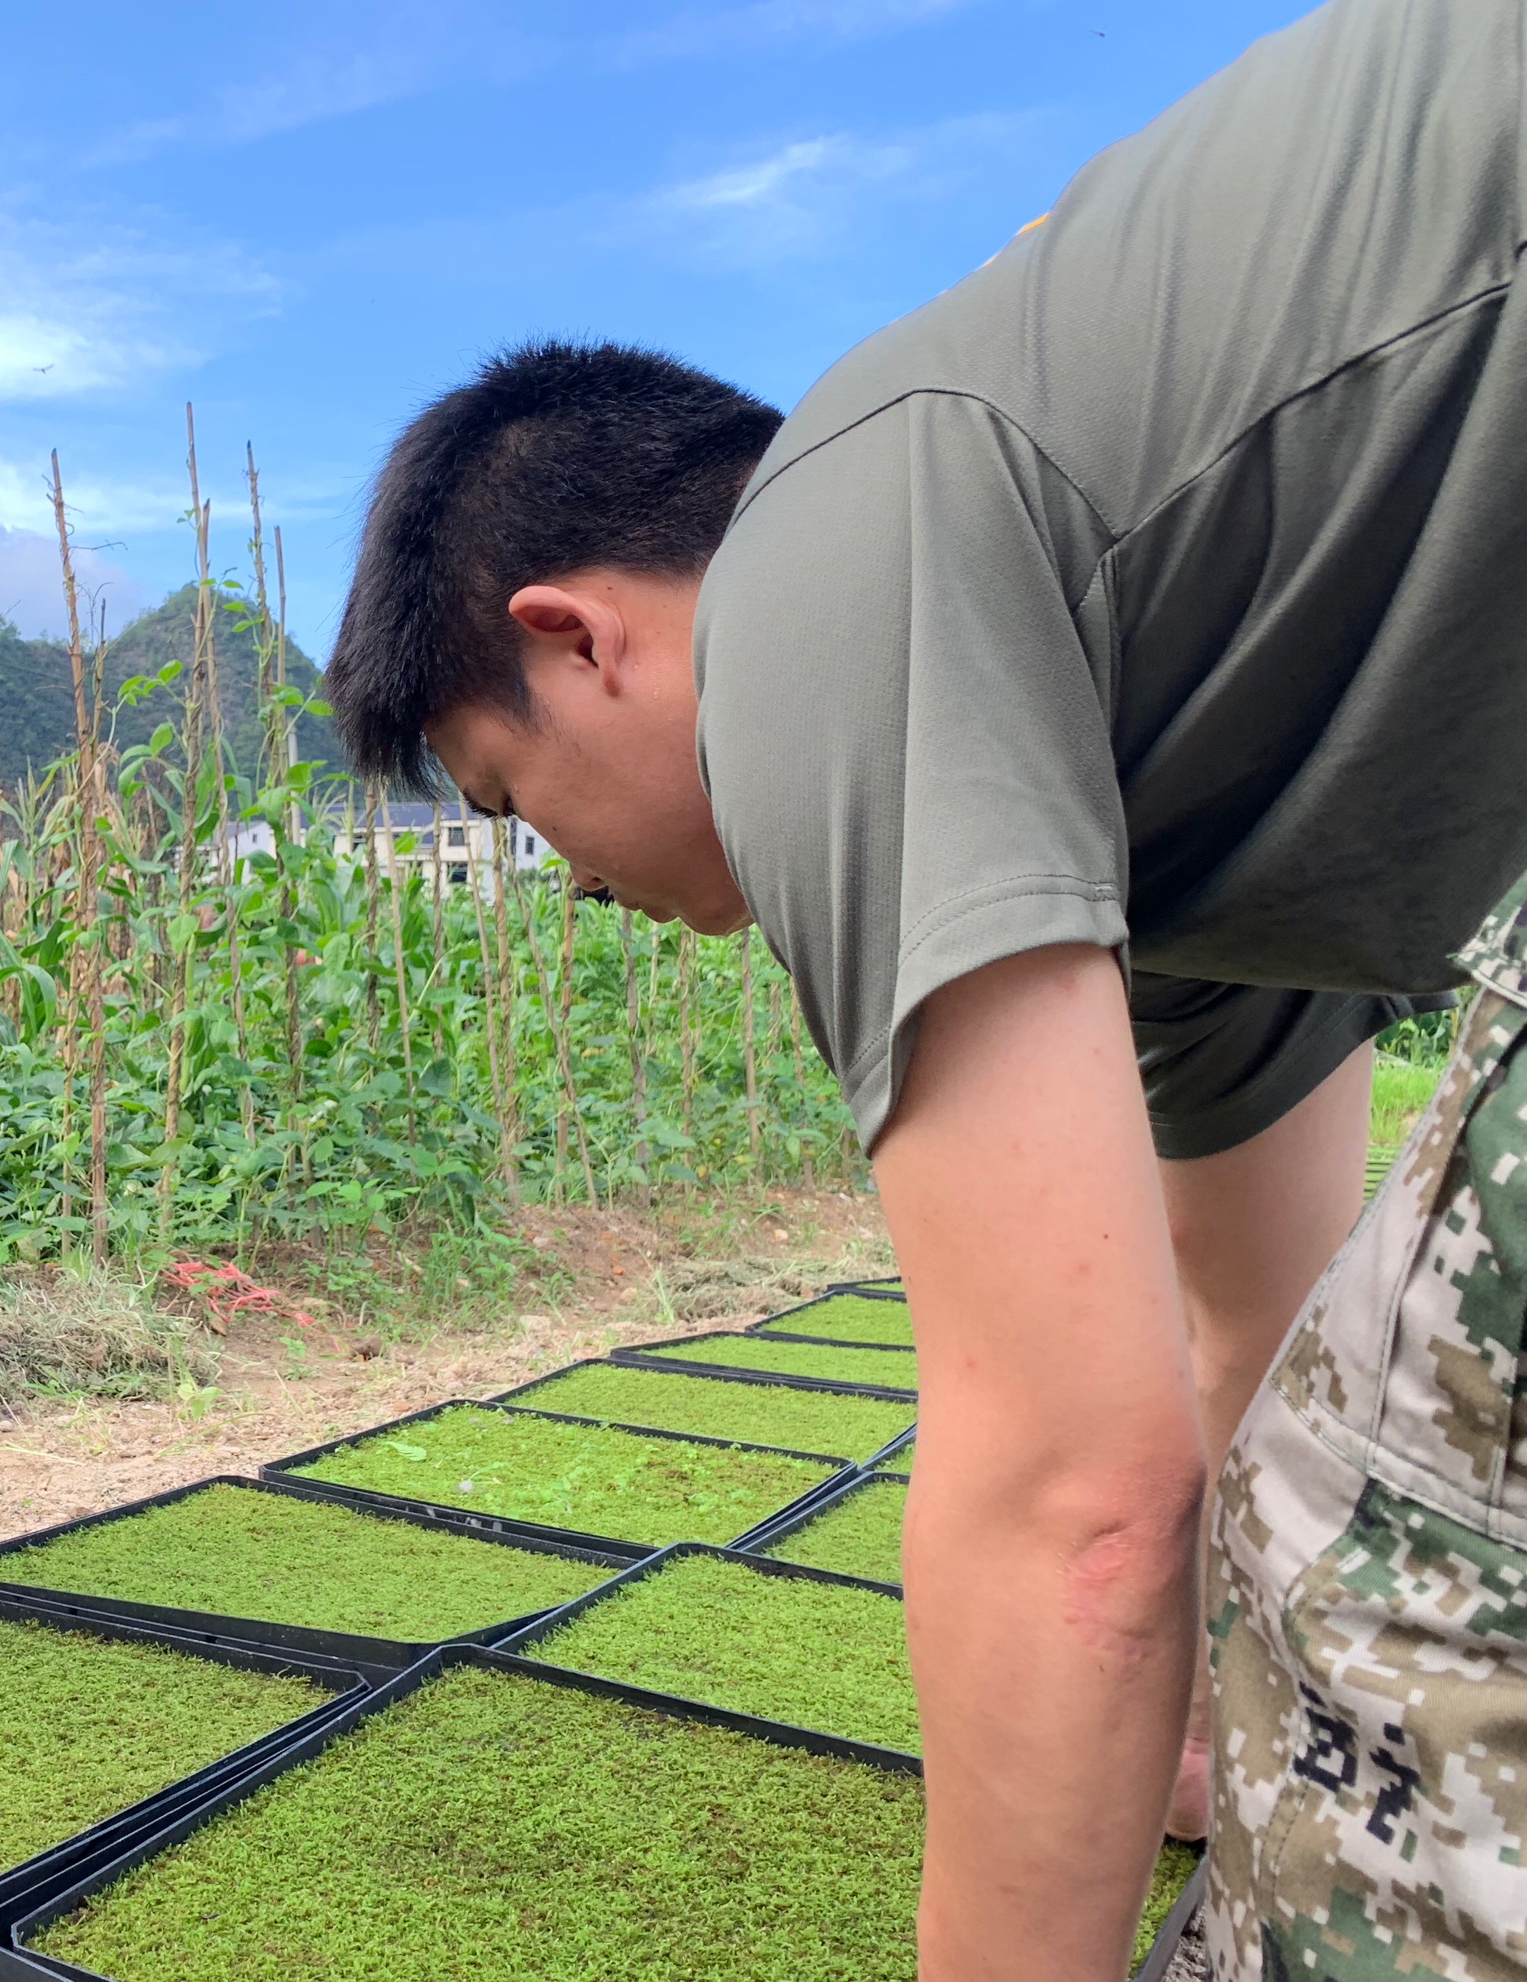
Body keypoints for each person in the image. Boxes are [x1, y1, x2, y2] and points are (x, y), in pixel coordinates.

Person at [323, 2, 1527, 1976]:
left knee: (1425, 1633)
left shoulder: (821, 550)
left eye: (509, 800)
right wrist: (1174, 1762)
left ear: (577, 643)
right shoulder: (1157, 786)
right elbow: (1252, 1338)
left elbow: (1075, 1487)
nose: (566, 884)